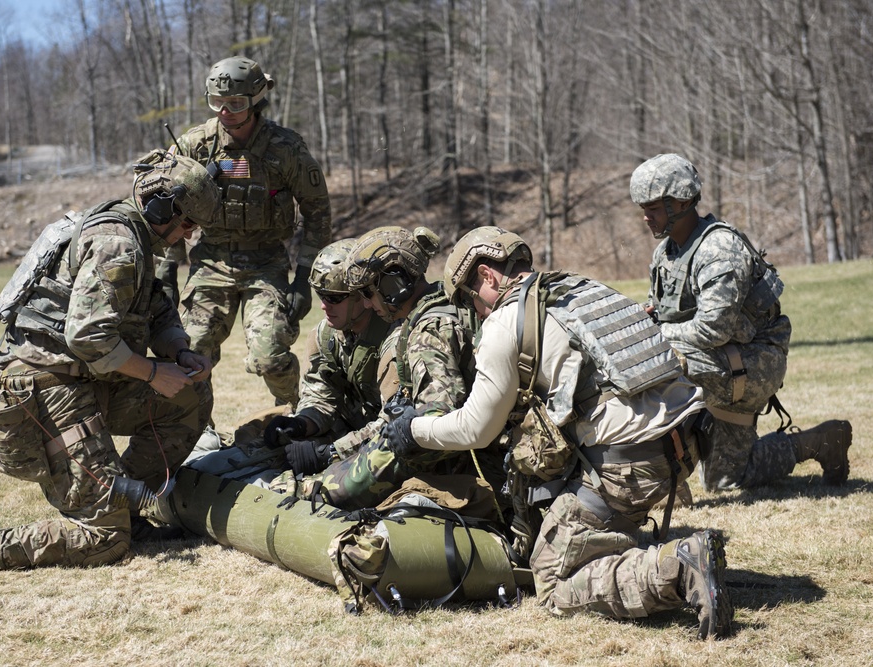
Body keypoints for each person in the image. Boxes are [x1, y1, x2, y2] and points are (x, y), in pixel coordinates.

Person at [383, 226, 734, 639]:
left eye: (469, 300)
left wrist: (413, 429)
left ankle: (679, 568)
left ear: (487, 277)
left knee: (551, 579)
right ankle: (624, 540)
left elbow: (476, 428)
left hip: (631, 465)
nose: (475, 314)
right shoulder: (582, 290)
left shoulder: (505, 323)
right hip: (687, 441)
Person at [0, 150, 219, 572]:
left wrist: (179, 352)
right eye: (187, 224)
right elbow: (88, 336)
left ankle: (123, 508)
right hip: (46, 388)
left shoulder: (136, 239)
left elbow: (155, 311)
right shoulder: (119, 244)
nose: (187, 236)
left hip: (84, 379)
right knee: (104, 542)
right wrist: (151, 373)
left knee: (191, 394)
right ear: (161, 208)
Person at [630, 153, 852, 492]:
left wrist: (655, 334)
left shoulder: (718, 251)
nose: (646, 217)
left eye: (654, 208)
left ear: (684, 202)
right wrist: (650, 317)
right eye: (643, 208)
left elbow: (711, 329)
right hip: (720, 360)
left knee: (657, 359)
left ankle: (665, 475)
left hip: (755, 362)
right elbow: (666, 310)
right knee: (726, 481)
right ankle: (819, 442)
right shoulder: (667, 253)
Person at [168, 55, 332, 407]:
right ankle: (199, 430)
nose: (225, 112)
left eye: (236, 104)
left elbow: (317, 210)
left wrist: (304, 278)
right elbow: (167, 207)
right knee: (188, 353)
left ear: (257, 100)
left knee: (268, 355)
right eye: (217, 103)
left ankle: (298, 412)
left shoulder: (285, 148)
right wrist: (168, 269)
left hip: (265, 263)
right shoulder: (195, 145)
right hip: (210, 262)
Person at [282, 225, 480, 510]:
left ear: (394, 285)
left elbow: (438, 420)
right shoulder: (435, 310)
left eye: (366, 292)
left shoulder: (423, 331)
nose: (364, 302)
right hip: (419, 440)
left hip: (448, 456)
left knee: (335, 489)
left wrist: (332, 457)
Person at [262, 238, 395, 476]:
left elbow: (395, 425)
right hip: (357, 430)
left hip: (391, 440)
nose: (324, 306)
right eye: (321, 294)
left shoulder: (393, 338)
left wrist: (331, 452)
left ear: (362, 296)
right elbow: (320, 396)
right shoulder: (326, 335)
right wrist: (300, 424)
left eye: (334, 297)